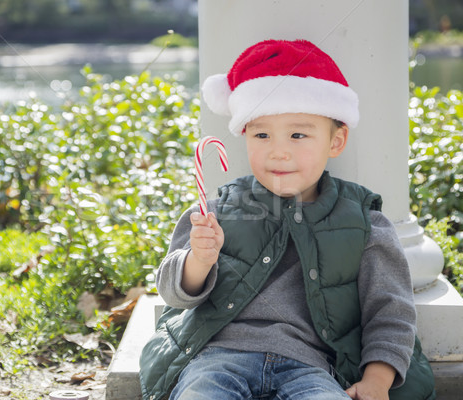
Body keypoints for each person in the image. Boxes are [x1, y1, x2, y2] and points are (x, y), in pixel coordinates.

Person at [139, 40, 436, 400]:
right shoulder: (215, 212)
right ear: (245, 136)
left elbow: (390, 310)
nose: (278, 150)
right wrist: (198, 261)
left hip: (311, 367)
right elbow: (174, 295)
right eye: (261, 134)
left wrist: (378, 379)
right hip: (216, 359)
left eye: (298, 134)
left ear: (336, 141)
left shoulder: (364, 223)